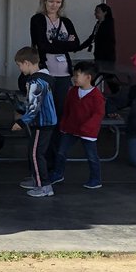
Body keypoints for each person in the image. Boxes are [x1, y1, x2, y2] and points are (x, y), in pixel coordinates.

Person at [49, 62, 105, 190]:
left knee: (91, 156)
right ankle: (58, 173)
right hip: (70, 129)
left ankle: (96, 179)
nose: (74, 78)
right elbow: (67, 109)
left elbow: (98, 114)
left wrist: (87, 127)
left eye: (77, 75)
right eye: (74, 75)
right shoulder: (72, 92)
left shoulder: (97, 96)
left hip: (88, 132)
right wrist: (63, 123)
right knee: (61, 151)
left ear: (88, 77)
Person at [12, 46, 57, 198]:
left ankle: (43, 185)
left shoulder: (35, 82)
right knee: (36, 152)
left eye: (19, 65)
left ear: (26, 63)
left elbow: (33, 107)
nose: (20, 69)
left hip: (41, 124)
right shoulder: (45, 78)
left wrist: (21, 122)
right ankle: (36, 179)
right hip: (46, 122)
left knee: (36, 154)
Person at [29, 0, 78, 119]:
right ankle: (43, 138)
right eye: (51, 1)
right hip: (45, 70)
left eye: (58, 2)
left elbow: (75, 45)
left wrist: (54, 43)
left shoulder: (66, 21)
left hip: (64, 72)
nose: (54, 5)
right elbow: (42, 45)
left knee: (60, 108)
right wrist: (65, 43)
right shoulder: (37, 19)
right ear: (44, 1)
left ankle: (57, 138)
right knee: (44, 108)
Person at [80, 4, 116, 71]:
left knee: (107, 75)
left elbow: (105, 40)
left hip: (106, 56)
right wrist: (80, 47)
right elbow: (92, 38)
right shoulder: (98, 24)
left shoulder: (108, 24)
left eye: (97, 12)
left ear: (104, 13)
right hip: (98, 55)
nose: (95, 14)